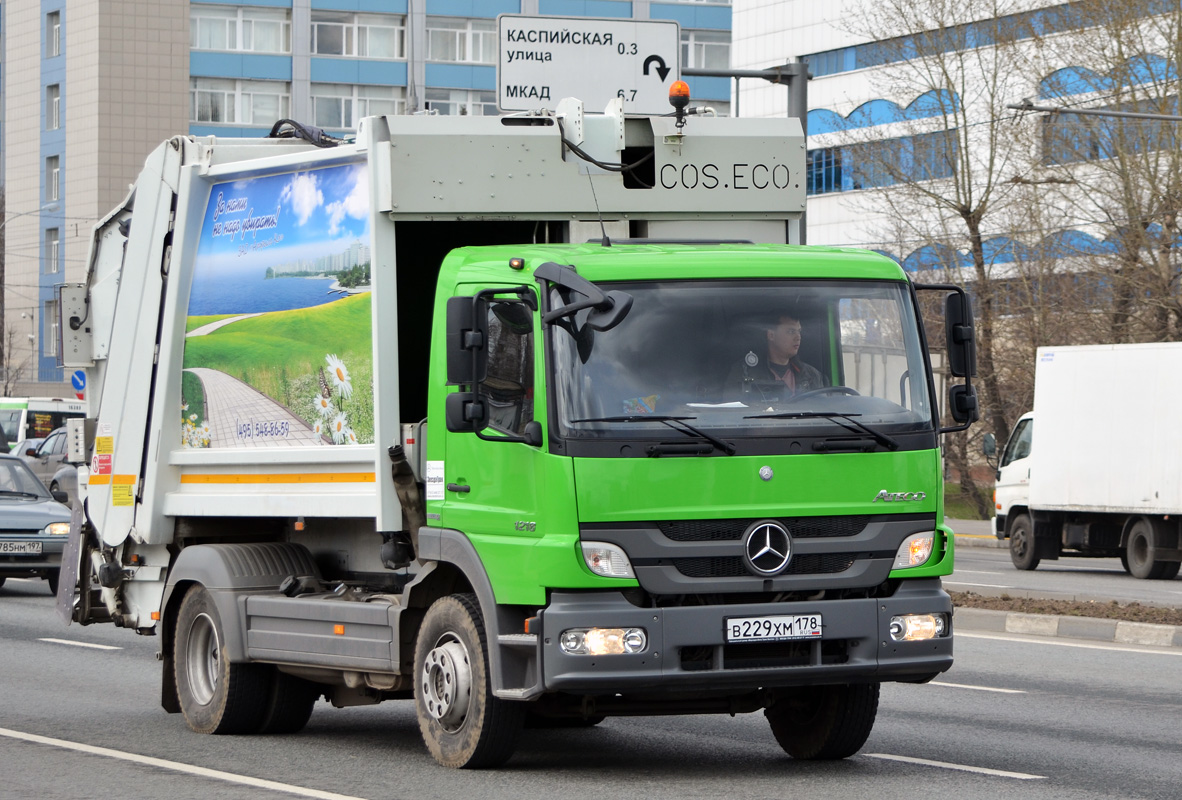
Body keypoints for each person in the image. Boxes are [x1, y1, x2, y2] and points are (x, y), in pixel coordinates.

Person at [726, 313, 826, 403]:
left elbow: (823, 413)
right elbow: (731, 415)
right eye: (791, 331)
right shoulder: (744, 373)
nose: (798, 337)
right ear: (771, 335)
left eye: (799, 331)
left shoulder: (812, 376)